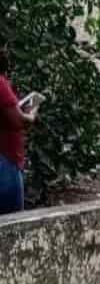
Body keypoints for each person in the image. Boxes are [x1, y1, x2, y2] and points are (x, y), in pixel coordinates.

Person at [0, 43, 38, 215]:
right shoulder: (0, 85)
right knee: (12, 225)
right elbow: (20, 122)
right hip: (5, 161)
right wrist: (32, 110)